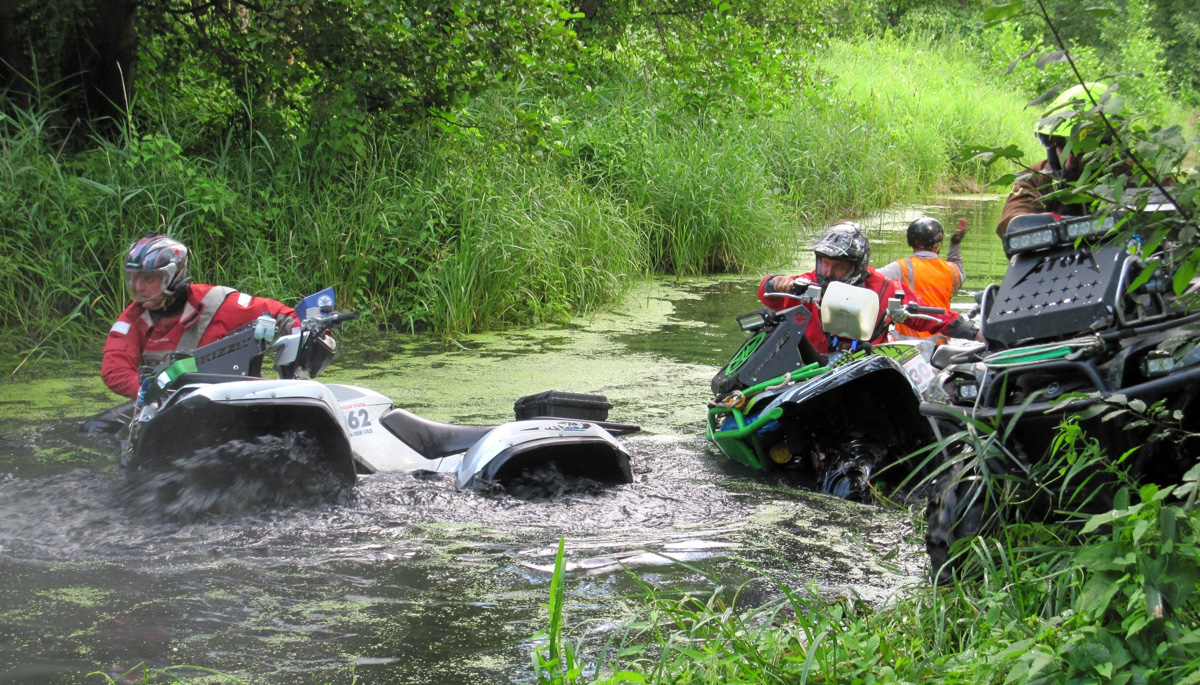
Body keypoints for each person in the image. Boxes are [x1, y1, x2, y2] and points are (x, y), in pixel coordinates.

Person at [101, 235, 299, 399]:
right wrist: (144, 390)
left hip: (229, 401)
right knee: (95, 428)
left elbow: (281, 314)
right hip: (167, 405)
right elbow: (115, 371)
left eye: (148, 279)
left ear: (171, 276)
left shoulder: (217, 302)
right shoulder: (132, 320)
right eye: (134, 279)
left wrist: (305, 333)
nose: (138, 287)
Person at [756, 222, 980, 356]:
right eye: (825, 262)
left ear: (856, 266)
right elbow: (768, 295)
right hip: (811, 368)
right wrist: (775, 282)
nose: (829, 271)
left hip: (864, 369)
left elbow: (926, 315)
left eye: (838, 266)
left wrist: (975, 333)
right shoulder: (809, 282)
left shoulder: (884, 288)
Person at [997, 82, 1117, 237]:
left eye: (1082, 151)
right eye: (1062, 147)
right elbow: (1013, 223)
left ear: (1108, 149)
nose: (1069, 163)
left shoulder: (1136, 177)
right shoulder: (1035, 179)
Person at [878, 216, 967, 341]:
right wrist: (955, 245)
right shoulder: (952, 270)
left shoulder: (901, 268)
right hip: (940, 348)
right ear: (937, 245)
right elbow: (960, 274)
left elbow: (870, 280)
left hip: (905, 348)